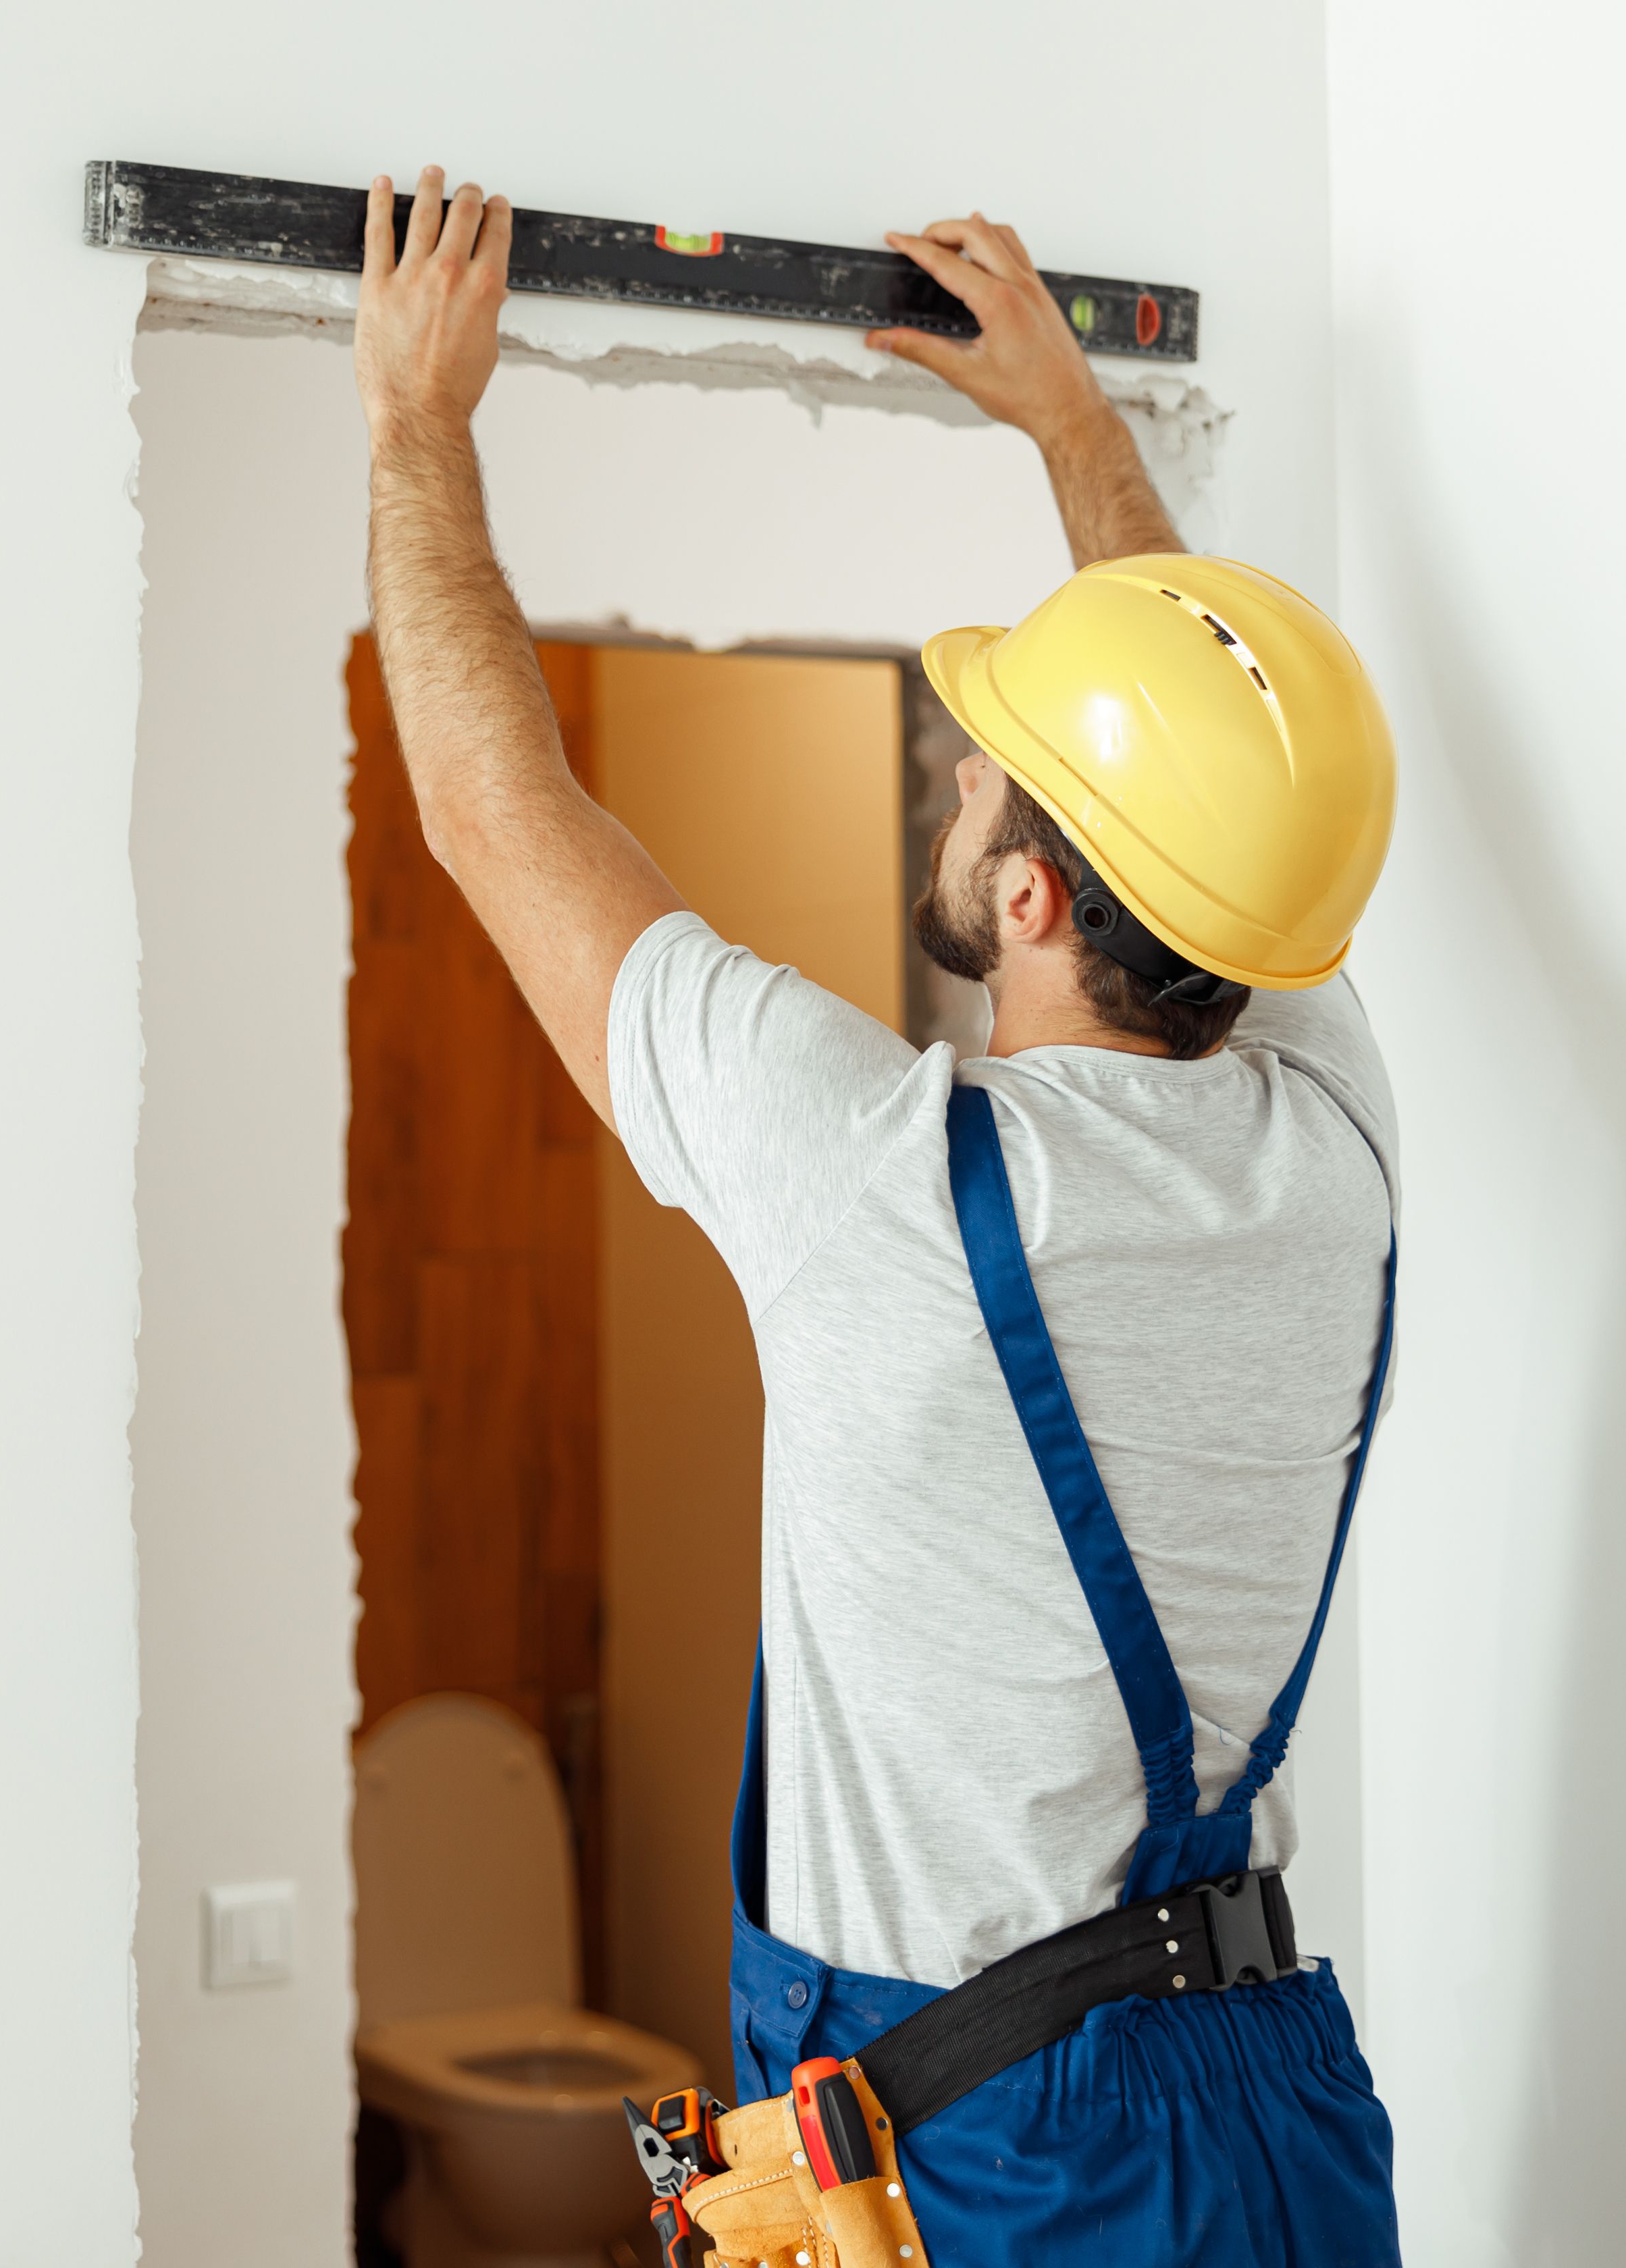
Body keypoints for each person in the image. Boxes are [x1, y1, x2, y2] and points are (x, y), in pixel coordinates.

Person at [350, 167, 1403, 2268]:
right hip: (1278, 2105)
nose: (956, 782)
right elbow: (1232, 801)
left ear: (1025, 898)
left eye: (987, 775)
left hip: (991, 2151)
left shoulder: (882, 1180)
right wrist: (1084, 436)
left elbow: (493, 811)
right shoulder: (1336, 1149)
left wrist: (413, 424)